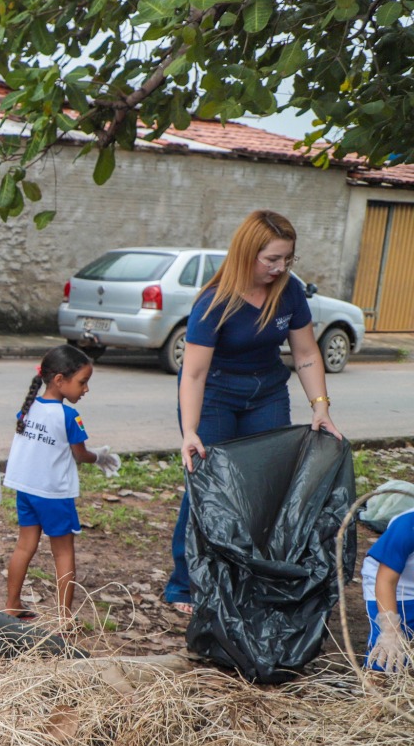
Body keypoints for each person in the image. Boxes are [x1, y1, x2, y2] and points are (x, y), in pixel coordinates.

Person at [167, 210, 344, 613]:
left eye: (287, 259)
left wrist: (321, 408)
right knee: (206, 485)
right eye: (272, 260)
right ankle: (185, 584)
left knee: (263, 488)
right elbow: (193, 374)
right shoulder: (215, 302)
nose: (280, 268)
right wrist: (190, 431)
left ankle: (248, 575)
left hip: (266, 394)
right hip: (214, 396)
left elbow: (305, 353)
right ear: (248, 253)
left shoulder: (290, 291)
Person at [2, 345, 117, 619]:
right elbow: (81, 455)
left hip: (26, 490)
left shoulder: (28, 408)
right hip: (54, 493)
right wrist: (99, 457)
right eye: (82, 382)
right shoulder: (68, 416)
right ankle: (64, 618)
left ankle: (11, 603)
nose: (86, 389)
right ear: (59, 380)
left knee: (24, 546)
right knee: (63, 552)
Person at [362, 506, 414, 673]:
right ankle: (374, 685)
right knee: (390, 659)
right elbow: (386, 581)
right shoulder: (407, 526)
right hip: (397, 588)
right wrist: (391, 629)